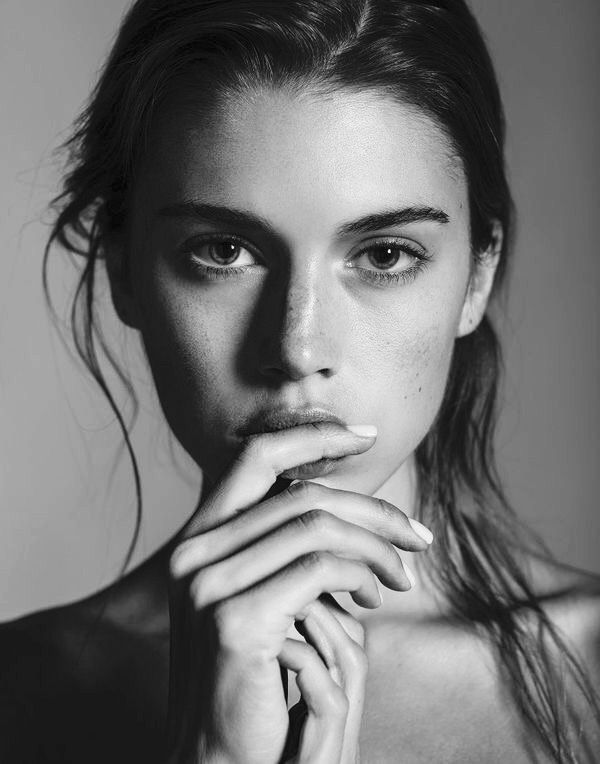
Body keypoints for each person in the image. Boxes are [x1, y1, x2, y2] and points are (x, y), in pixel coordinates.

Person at [1, 0, 599, 761]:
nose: (297, 347)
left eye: (385, 255)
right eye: (222, 251)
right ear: (121, 264)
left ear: (476, 277)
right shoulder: (19, 698)